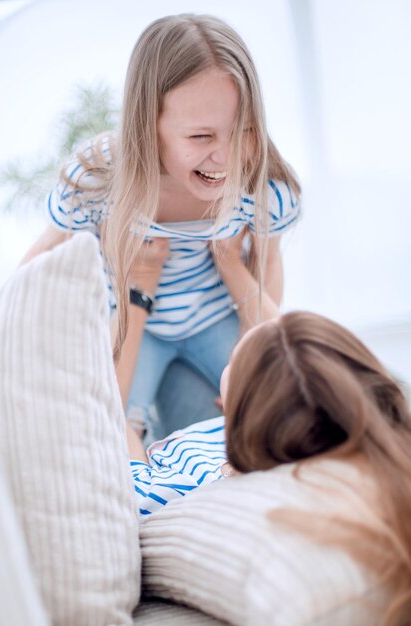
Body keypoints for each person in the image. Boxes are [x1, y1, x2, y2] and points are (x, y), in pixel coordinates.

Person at [21, 14, 301, 443]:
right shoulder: (96, 180)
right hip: (137, 329)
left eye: (243, 130)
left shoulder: (263, 187)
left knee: (279, 411)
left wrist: (248, 358)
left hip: (213, 319)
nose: (225, 158)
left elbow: (266, 266)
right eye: (201, 137)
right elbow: (39, 262)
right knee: (106, 431)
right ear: (148, 125)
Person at [124, 251, 411, 626]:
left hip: (156, 436)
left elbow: (114, 414)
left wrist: (139, 293)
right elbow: (298, 355)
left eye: (233, 360)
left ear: (237, 403)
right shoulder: (315, 416)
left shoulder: (186, 487)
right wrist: (229, 263)